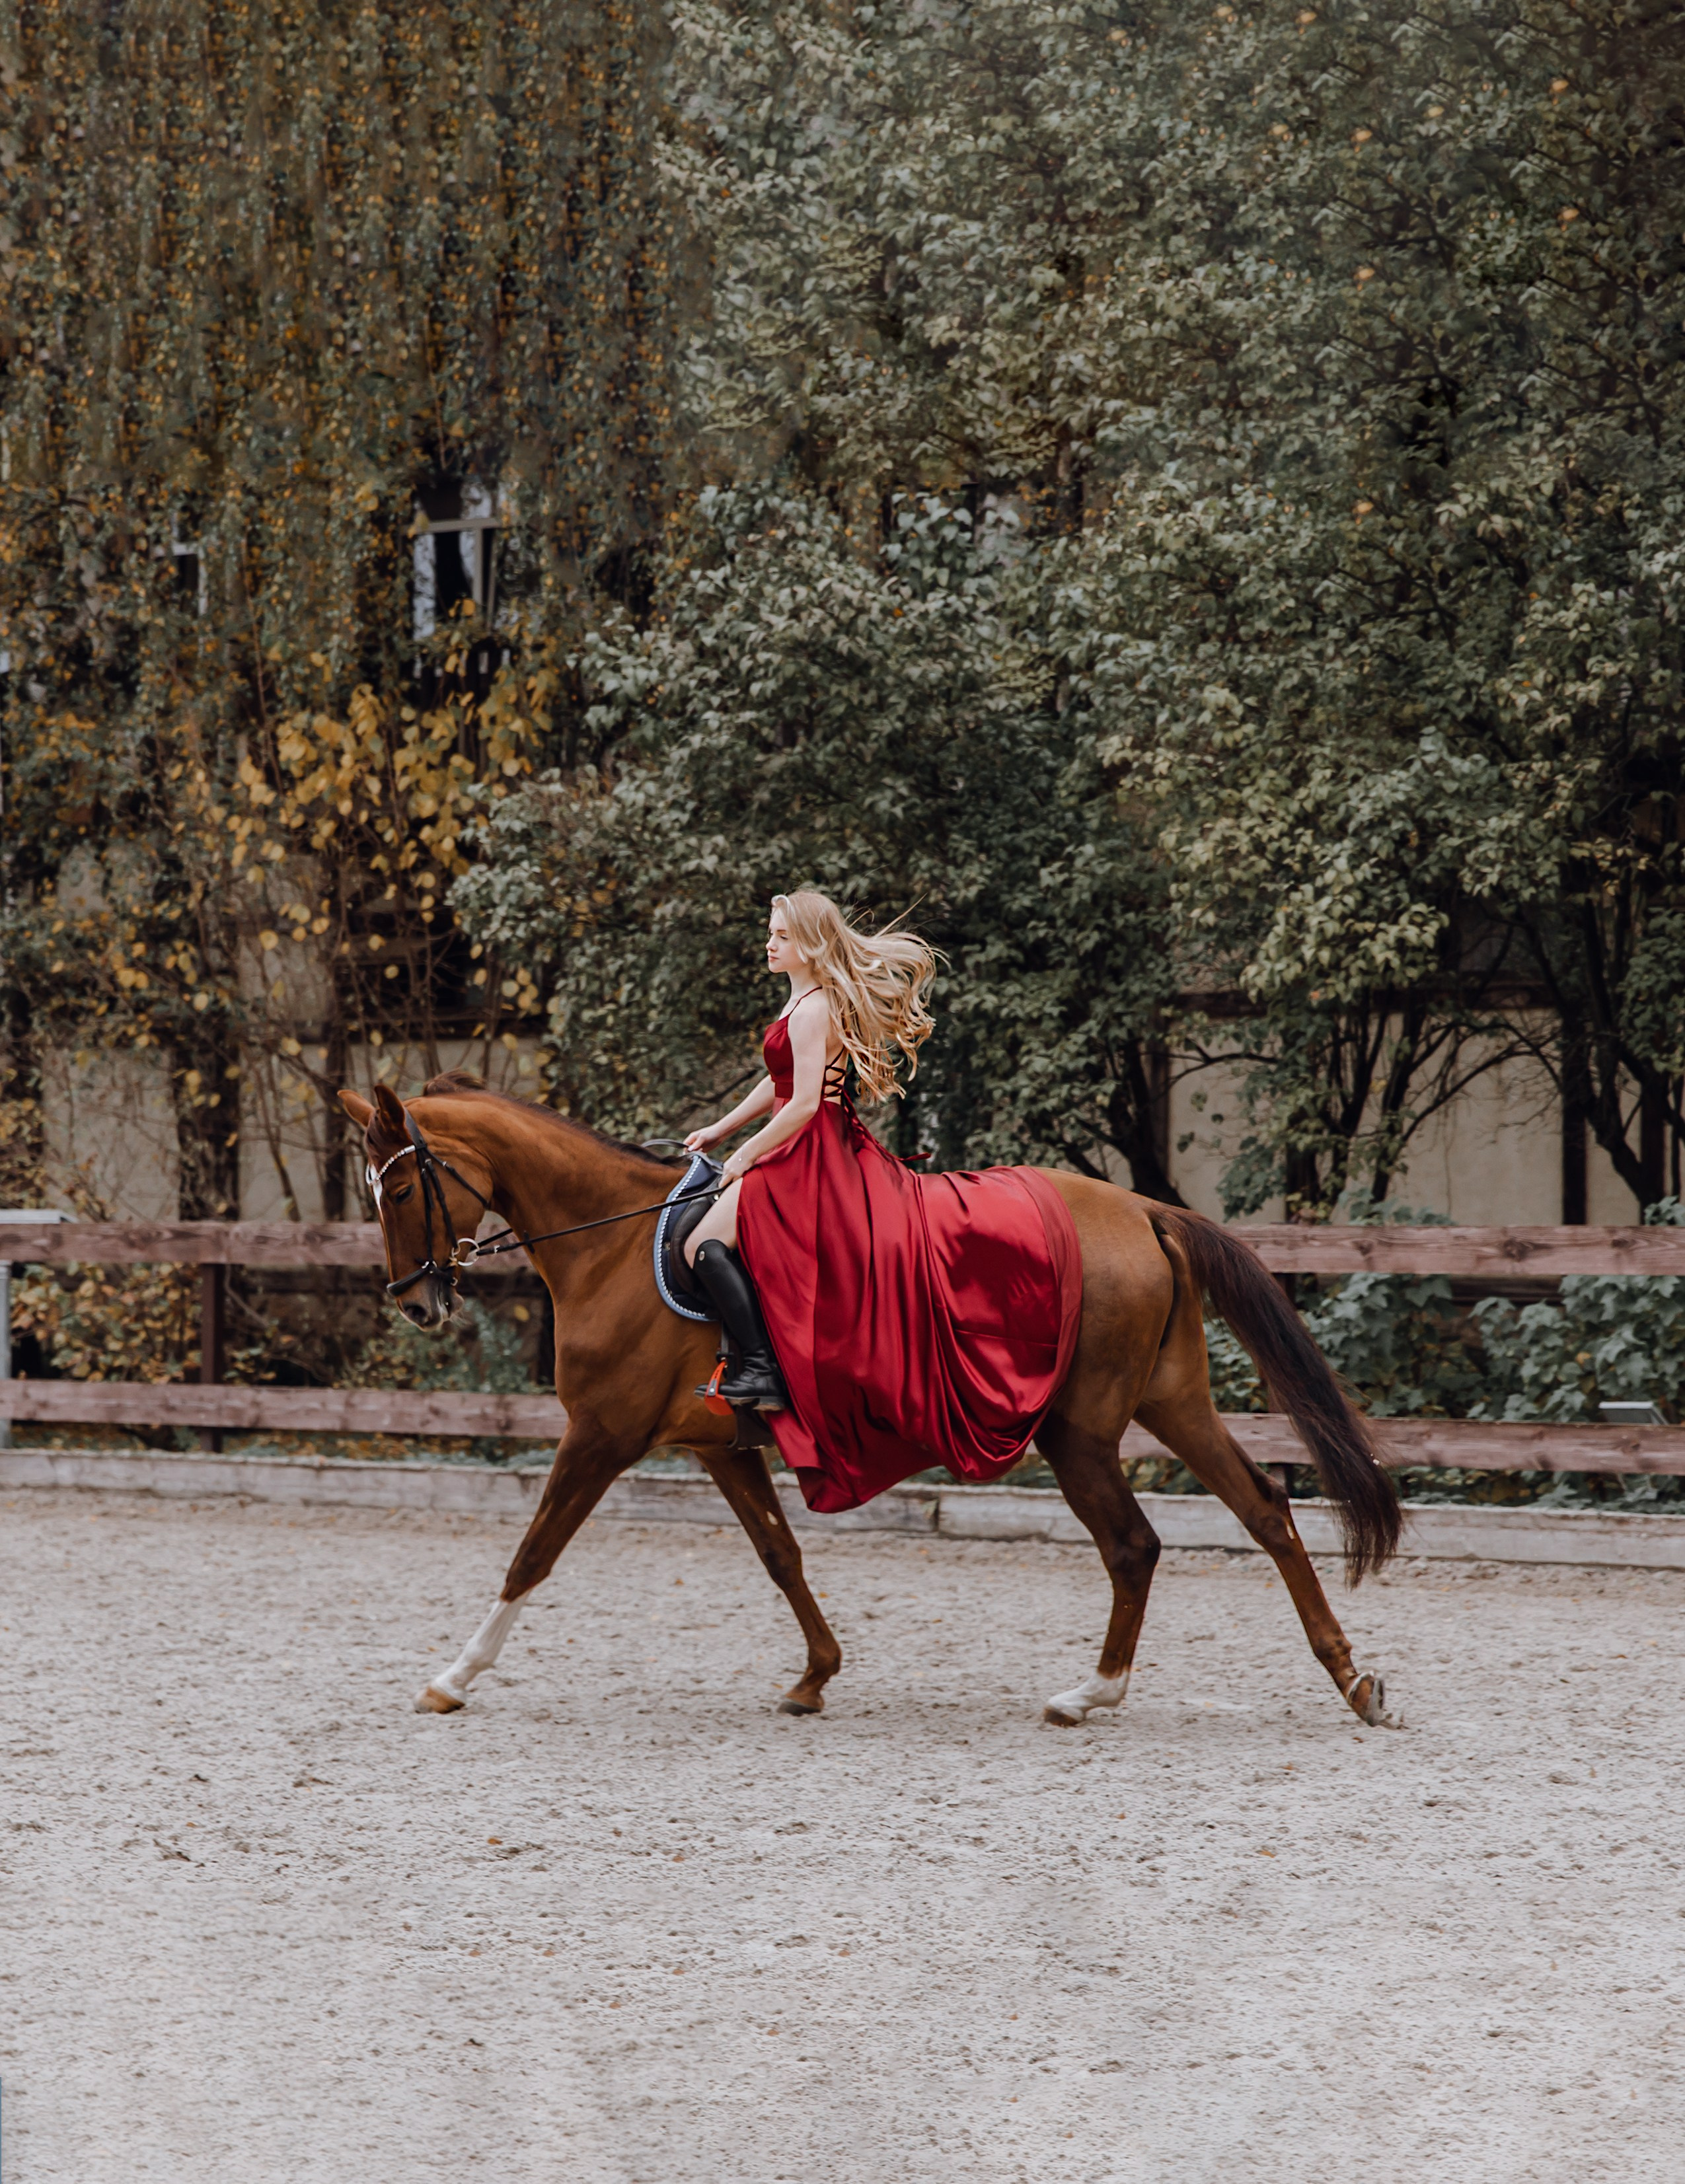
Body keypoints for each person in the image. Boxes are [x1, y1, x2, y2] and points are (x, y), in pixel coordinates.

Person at [683, 890, 1083, 1517]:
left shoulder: (815, 1008)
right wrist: (720, 1128)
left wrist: (745, 1156)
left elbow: (806, 1104)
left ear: (810, 944)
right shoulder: (802, 1000)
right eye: (771, 933)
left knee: (703, 1244)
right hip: (803, 1144)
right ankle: (757, 1362)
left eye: (782, 936)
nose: (770, 944)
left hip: (810, 1153)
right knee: (709, 1242)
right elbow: (780, 1080)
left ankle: (759, 1369)